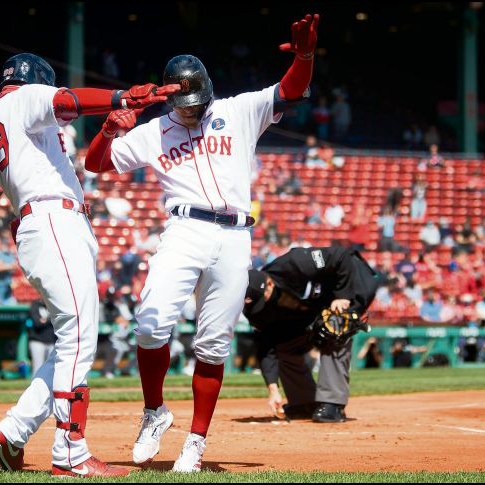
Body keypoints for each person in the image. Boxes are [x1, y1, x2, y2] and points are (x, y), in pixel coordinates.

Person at [82, 14, 320, 472]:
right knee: (150, 324)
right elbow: (96, 164)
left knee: (213, 346)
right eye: (184, 103)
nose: (192, 109)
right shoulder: (155, 131)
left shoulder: (238, 110)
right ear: (170, 98)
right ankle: (155, 411)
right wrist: (109, 129)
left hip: (234, 236)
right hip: (185, 229)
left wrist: (306, 56)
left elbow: (290, 89)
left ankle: (195, 440)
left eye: (197, 101)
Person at [0, 52, 178, 477]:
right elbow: (67, 101)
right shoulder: (23, 97)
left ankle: (13, 431)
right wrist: (121, 97)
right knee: (78, 338)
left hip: (39, 224)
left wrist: (2, 179)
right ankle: (70, 451)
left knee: (69, 341)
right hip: (53, 221)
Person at [243, 246, 378, 423]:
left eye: (262, 299)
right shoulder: (255, 310)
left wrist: (342, 295)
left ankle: (333, 404)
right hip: (313, 308)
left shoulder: (295, 263)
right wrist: (273, 389)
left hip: (352, 283)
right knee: (285, 346)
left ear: (269, 283)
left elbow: (341, 256)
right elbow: (266, 346)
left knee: (333, 324)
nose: (260, 306)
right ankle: (304, 402)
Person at [28, 299, 57, 375]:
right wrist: (51, 319)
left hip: (52, 342)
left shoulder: (54, 305)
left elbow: (58, 321)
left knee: (51, 368)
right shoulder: (35, 305)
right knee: (38, 367)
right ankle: (35, 383)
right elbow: (37, 323)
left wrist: (45, 320)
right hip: (37, 341)